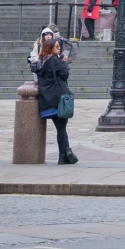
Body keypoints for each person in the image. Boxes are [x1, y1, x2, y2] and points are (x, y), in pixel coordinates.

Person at [30, 33, 78, 165]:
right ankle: (63, 156)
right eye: (56, 47)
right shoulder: (55, 60)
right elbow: (64, 74)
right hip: (58, 98)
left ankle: (67, 153)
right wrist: (64, 62)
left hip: (47, 99)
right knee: (61, 127)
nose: (59, 49)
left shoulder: (41, 61)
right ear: (49, 48)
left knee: (60, 127)